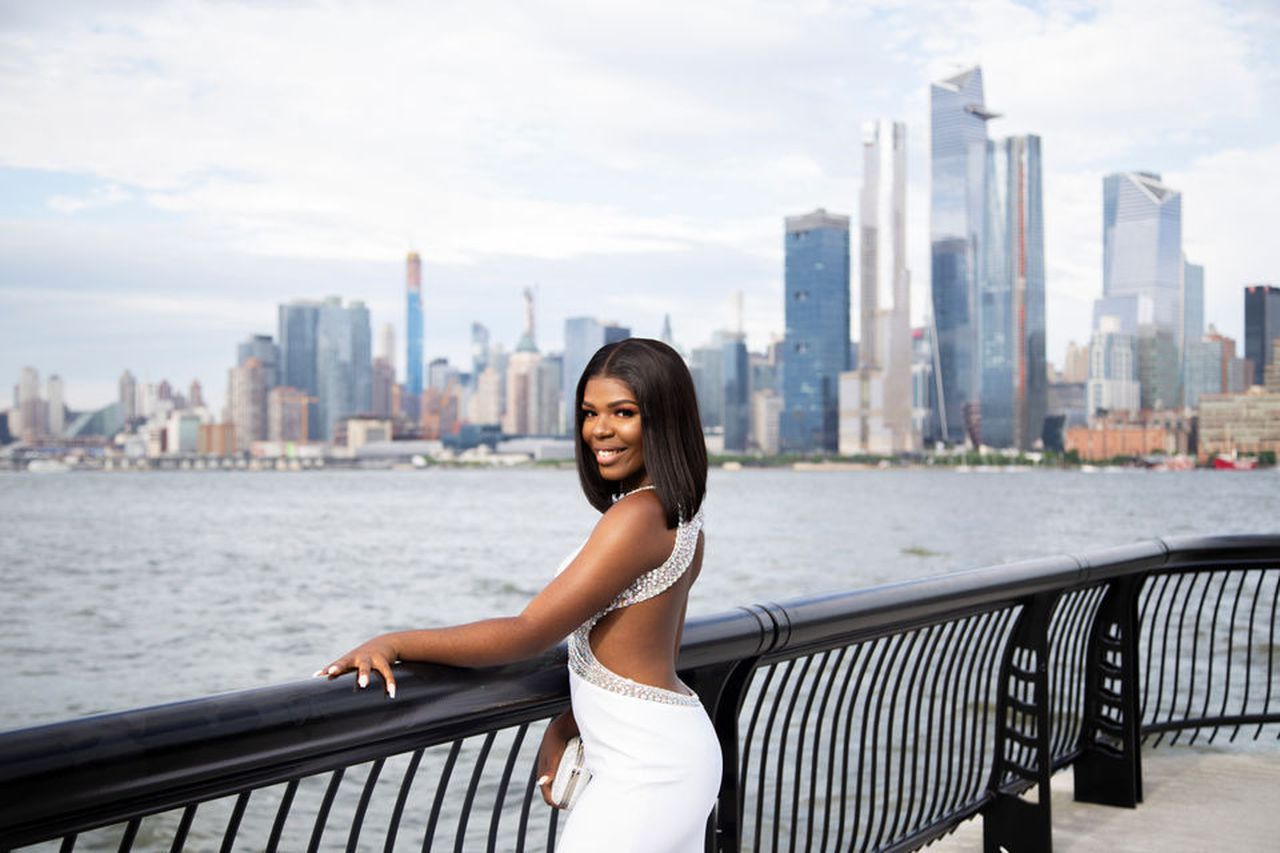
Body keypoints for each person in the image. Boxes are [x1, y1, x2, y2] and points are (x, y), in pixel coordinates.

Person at [316, 337, 721, 852]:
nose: (599, 430)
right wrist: (571, 721)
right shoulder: (679, 516)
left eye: (623, 413)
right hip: (669, 752)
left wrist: (394, 643)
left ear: (664, 418)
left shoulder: (637, 517)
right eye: (589, 413)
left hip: (649, 770)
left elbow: (526, 633)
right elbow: (649, 650)